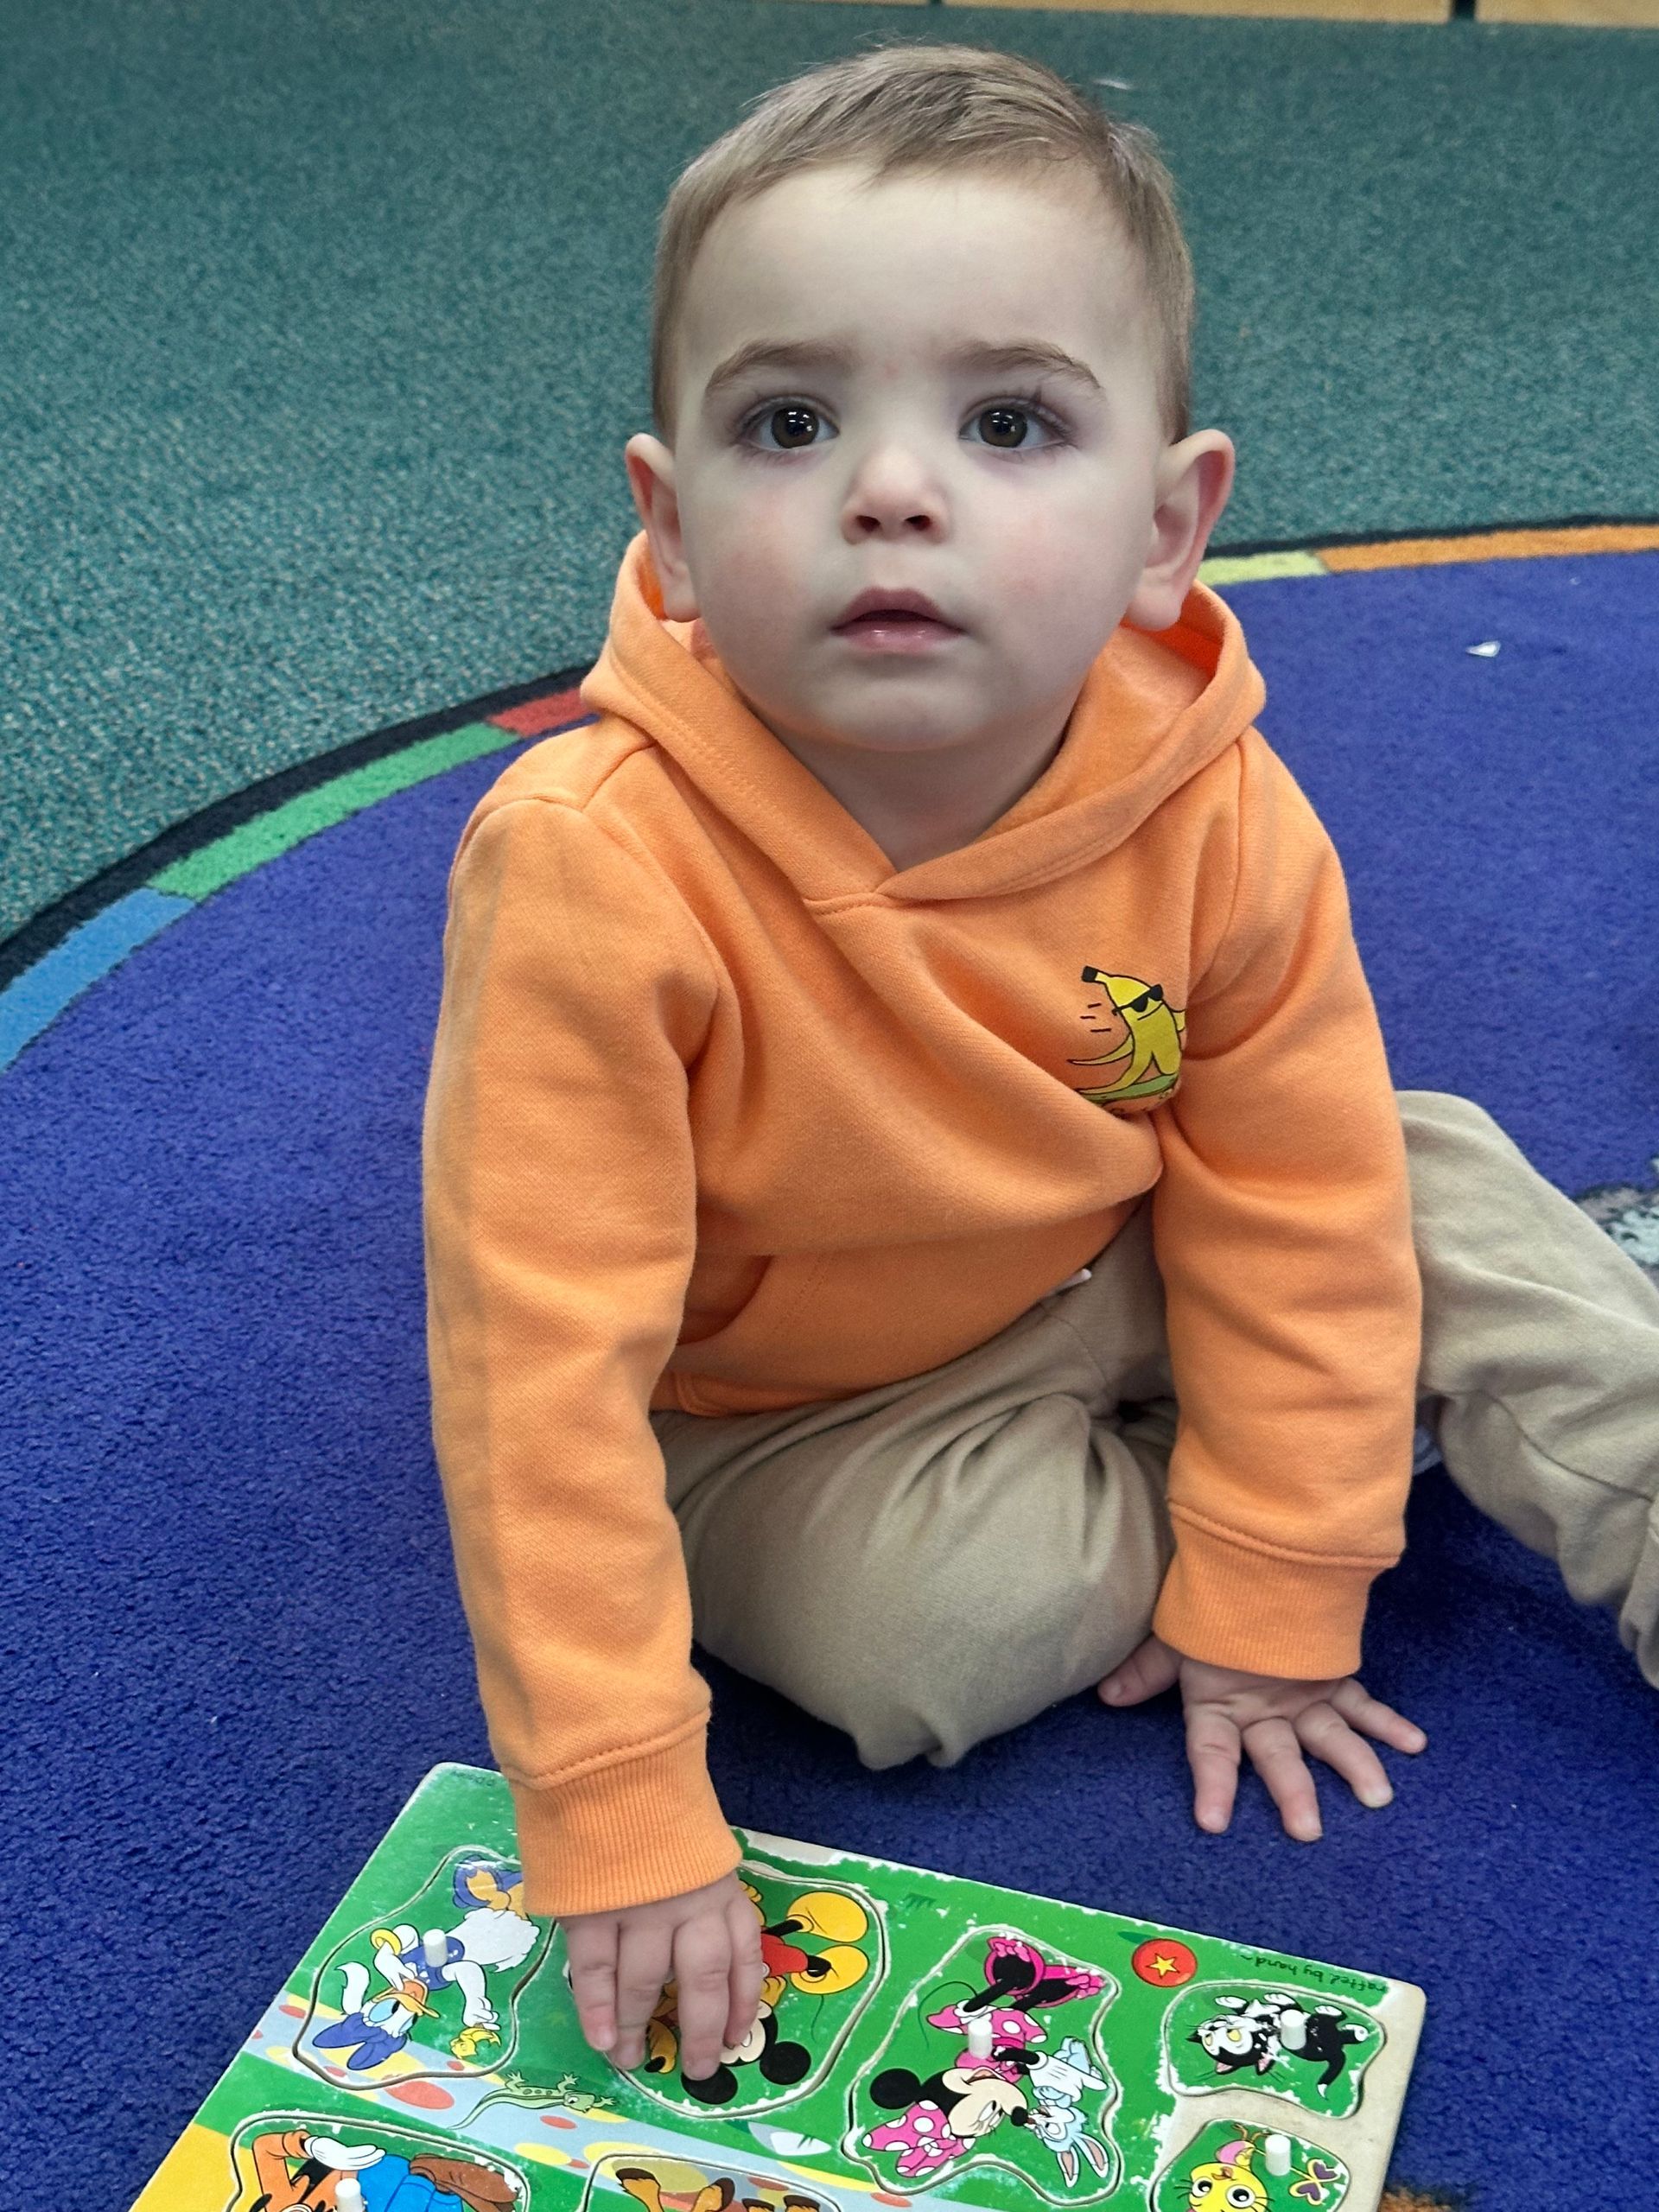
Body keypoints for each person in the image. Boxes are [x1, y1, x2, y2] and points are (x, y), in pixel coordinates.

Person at [421, 41, 1659, 2090]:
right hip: (798, 1403)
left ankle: (1441, 1409)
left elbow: (1286, 1189)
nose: (889, 486)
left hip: (1139, 1239)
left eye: (1007, 421)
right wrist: (619, 1804)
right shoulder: (588, 865)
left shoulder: (1224, 805)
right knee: (910, 1653)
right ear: (674, 518)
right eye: (791, 420)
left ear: (1170, 530)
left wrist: (1277, 1591)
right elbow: (533, 1370)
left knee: (1385, 1189)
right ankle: (1361, 1423)